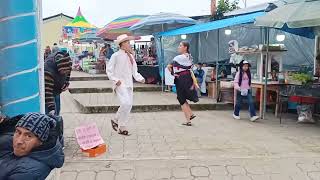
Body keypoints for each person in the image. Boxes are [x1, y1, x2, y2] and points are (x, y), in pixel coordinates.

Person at [0, 113, 64, 180]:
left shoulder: (28, 171)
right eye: (18, 132)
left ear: (41, 142)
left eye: (28, 136)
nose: (19, 141)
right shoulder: (27, 155)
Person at [107, 34, 145, 136]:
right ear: (122, 44)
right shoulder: (115, 56)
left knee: (128, 106)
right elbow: (109, 70)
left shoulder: (131, 56)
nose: (129, 44)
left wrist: (140, 78)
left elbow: (134, 71)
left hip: (129, 83)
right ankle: (115, 119)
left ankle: (121, 127)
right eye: (127, 42)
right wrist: (115, 80)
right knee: (125, 103)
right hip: (120, 83)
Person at [168, 41, 199, 126]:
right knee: (182, 98)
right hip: (188, 77)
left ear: (185, 47)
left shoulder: (179, 57)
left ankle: (189, 119)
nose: (178, 47)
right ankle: (190, 115)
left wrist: (172, 72)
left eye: (180, 45)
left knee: (181, 98)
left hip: (181, 78)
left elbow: (169, 66)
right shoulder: (190, 57)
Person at [44, 50, 72, 115]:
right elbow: (48, 92)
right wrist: (51, 109)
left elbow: (68, 74)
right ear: (59, 68)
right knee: (51, 113)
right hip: (49, 91)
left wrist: (66, 83)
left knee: (57, 111)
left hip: (57, 89)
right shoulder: (48, 71)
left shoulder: (67, 62)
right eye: (64, 71)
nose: (65, 73)